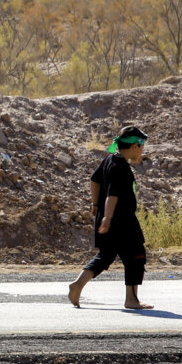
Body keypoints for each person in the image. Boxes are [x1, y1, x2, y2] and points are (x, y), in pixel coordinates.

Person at [68, 126, 152, 310]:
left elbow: (94, 179)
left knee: (105, 256)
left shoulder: (109, 160)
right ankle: (132, 299)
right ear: (135, 147)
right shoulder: (120, 167)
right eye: (142, 146)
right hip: (122, 221)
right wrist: (107, 217)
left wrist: (95, 206)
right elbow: (112, 195)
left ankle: (78, 284)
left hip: (108, 218)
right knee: (135, 256)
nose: (143, 150)